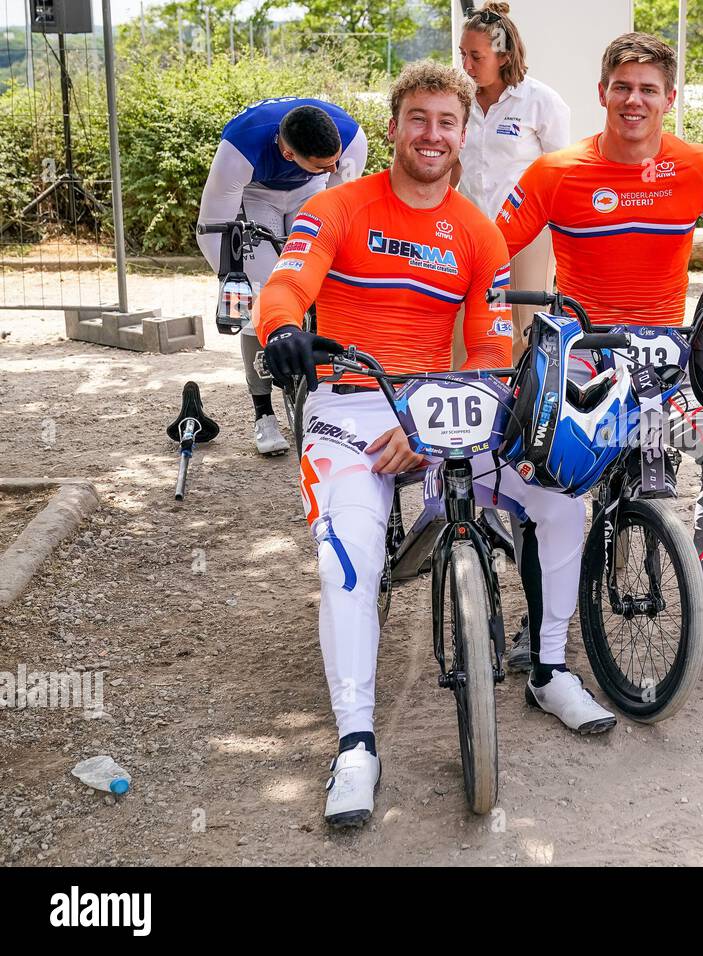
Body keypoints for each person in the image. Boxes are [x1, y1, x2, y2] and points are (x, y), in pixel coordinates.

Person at [254, 62, 616, 829]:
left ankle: (549, 668)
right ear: (393, 127)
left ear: (462, 133)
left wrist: (428, 425)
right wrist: (282, 329)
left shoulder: (475, 231)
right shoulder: (338, 206)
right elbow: (287, 283)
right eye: (418, 118)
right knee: (345, 554)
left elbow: (486, 354)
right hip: (349, 405)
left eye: (446, 122)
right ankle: (356, 744)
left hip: (440, 411)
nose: (432, 135)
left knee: (557, 498)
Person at [495, 31, 703, 664]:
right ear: (603, 93)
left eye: (648, 90)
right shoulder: (556, 171)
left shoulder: (697, 167)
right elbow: (491, 249)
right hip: (585, 348)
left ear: (670, 98)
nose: (635, 100)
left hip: (669, 351)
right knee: (541, 459)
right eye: (623, 88)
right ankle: (541, 612)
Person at [197, 98, 368, 456]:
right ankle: (263, 414)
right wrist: (235, 283)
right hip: (258, 195)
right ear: (290, 154)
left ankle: (327, 396)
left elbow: (343, 212)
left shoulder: (350, 140)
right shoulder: (239, 147)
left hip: (311, 192)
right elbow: (211, 229)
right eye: (327, 164)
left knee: (324, 279)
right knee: (259, 300)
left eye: (336, 159)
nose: (337, 166)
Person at [456, 2, 570, 362]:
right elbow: (454, 165)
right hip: (472, 228)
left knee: (526, 324)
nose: (467, 65)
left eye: (476, 56)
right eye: (463, 54)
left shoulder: (541, 101)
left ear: (503, 56)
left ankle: (528, 405)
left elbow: (560, 172)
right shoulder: (458, 99)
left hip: (529, 231)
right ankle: (462, 389)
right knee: (463, 318)